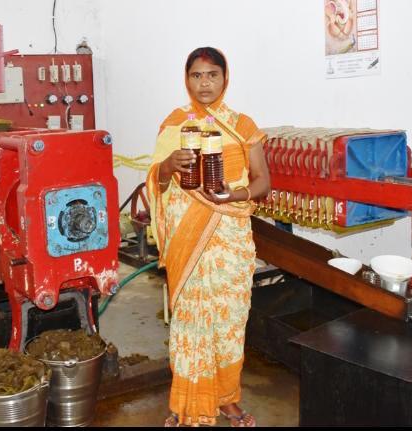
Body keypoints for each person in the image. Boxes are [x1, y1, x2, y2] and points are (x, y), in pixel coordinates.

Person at [147, 47, 270, 427]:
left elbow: (263, 181)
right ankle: (187, 403)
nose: (205, 83)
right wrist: (167, 166)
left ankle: (227, 399)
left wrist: (235, 194)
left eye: (212, 75)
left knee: (230, 320)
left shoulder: (242, 124)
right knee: (190, 320)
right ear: (186, 80)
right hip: (189, 239)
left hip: (231, 235)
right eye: (197, 75)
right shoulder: (174, 124)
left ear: (225, 78)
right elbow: (158, 182)